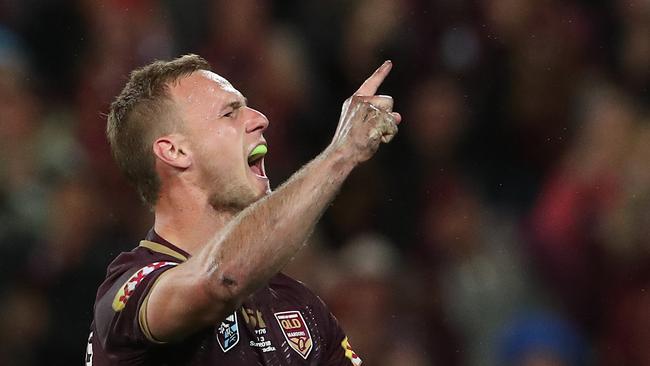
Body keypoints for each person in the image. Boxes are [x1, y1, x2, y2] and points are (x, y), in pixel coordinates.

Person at [85, 54, 401, 365]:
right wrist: (342, 153)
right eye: (230, 113)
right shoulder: (128, 294)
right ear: (175, 151)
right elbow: (222, 280)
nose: (260, 118)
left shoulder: (298, 307)